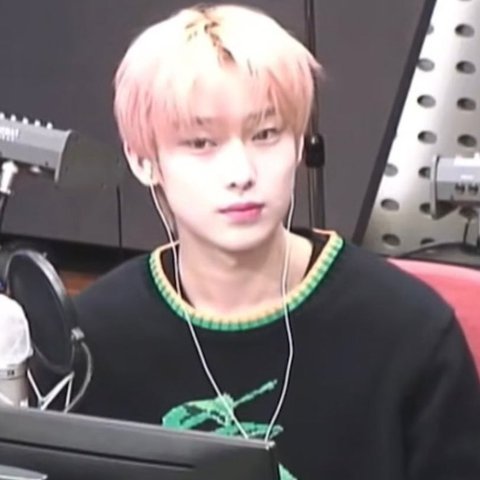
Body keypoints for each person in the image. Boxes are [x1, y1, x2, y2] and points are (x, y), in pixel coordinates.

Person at [5, 3, 480, 479]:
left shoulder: (411, 332)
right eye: (201, 143)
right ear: (143, 160)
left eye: (266, 134)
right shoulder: (90, 341)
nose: (241, 173)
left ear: (300, 143)